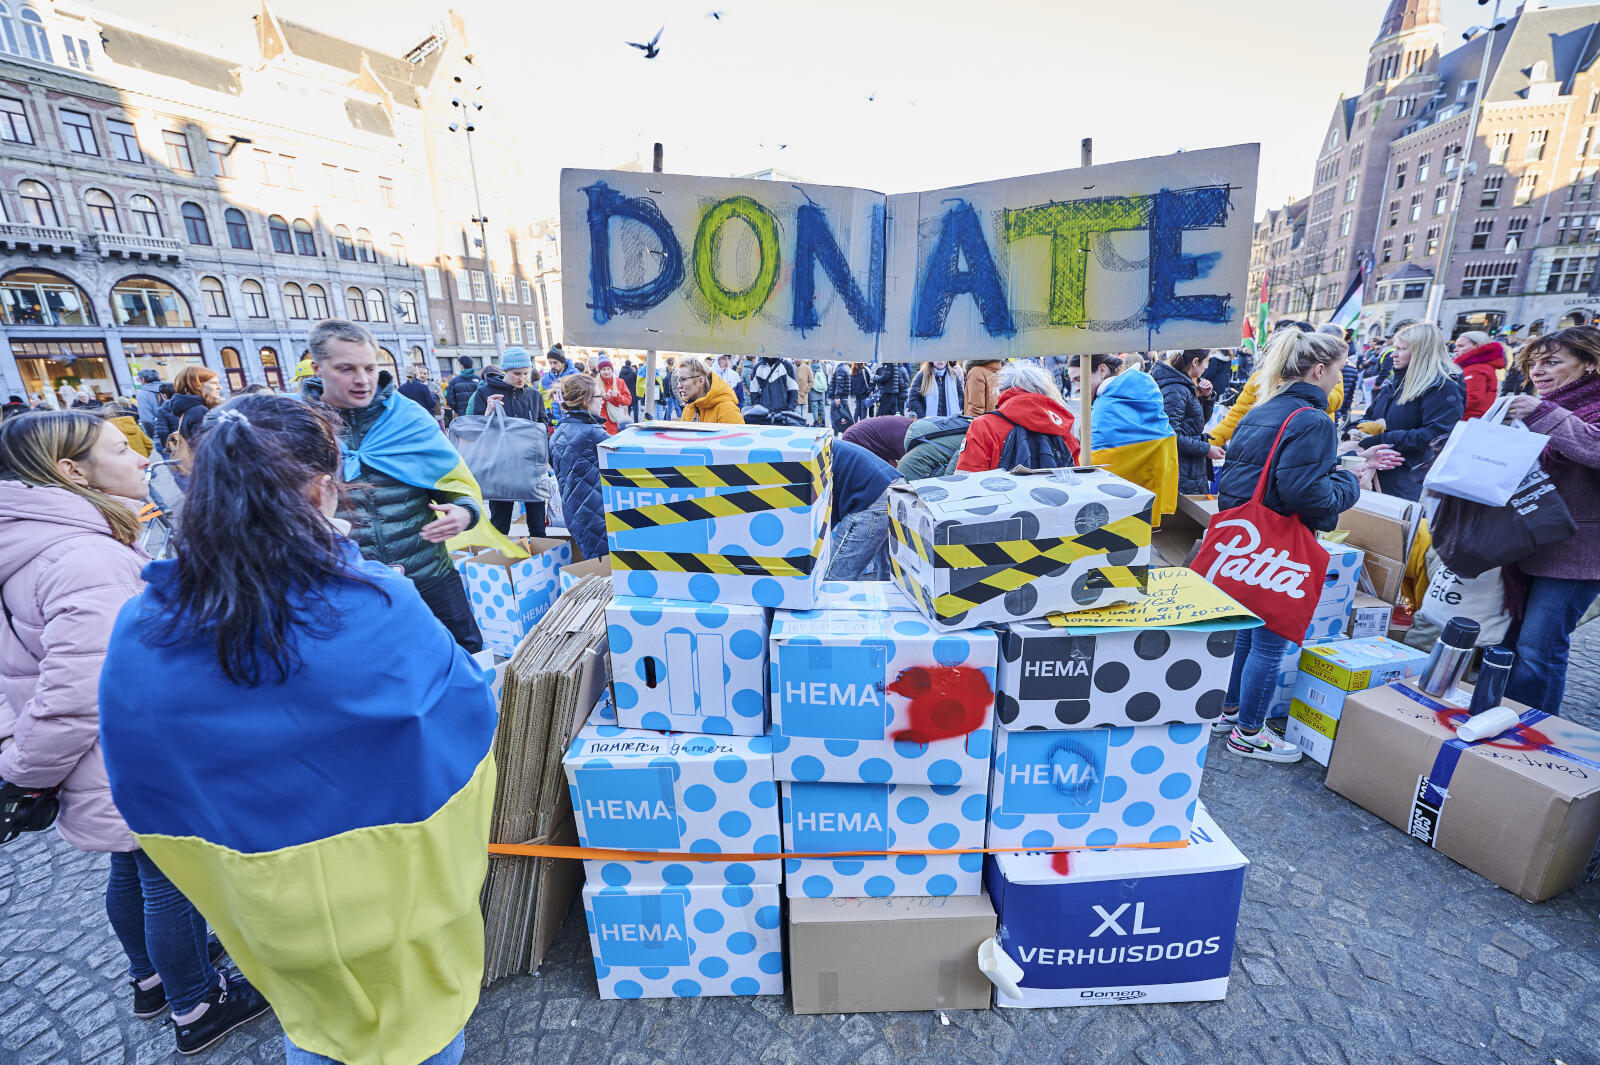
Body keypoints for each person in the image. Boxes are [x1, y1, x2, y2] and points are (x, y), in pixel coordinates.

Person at [97, 395, 495, 1065]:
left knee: (313, 1027)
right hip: (395, 897)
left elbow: (136, 761)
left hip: (265, 906)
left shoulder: (142, 626)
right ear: (321, 485)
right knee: (421, 1032)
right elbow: (466, 713)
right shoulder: (378, 602)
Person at [0, 411, 268, 1054]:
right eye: (122, 449)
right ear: (72, 471)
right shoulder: (82, 553)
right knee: (169, 879)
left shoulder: (42, 538)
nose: (142, 459)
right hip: (125, 751)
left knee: (131, 867)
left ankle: (150, 978)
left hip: (98, 756)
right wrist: (25, 774)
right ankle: (196, 1004)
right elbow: (83, 685)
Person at [1214, 330, 1397, 762]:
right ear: (1319, 369)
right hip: (1280, 546)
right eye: (1338, 369)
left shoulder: (1263, 409)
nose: (1340, 379)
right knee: (1271, 638)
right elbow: (1307, 494)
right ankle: (1249, 732)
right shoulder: (1312, 420)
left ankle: (1229, 709)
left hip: (1248, 540)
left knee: (1247, 632)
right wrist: (1348, 482)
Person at [308, 320, 515, 653]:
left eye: (370, 367)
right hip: (351, 588)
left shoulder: (409, 417)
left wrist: (464, 512)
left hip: (429, 574)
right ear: (317, 367)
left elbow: (454, 483)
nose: (362, 380)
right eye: (346, 369)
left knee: (468, 657)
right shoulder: (301, 427)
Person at [1498, 327, 1600, 714]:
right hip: (1529, 544)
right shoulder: (1549, 406)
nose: (1537, 371)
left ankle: (1531, 735)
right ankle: (1498, 719)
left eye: (1551, 362)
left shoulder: (1560, 409)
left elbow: (1594, 447)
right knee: (1509, 643)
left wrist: (1544, 414)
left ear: (1590, 363)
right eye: (1533, 363)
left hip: (1579, 553)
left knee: (1539, 648)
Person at [1351, 322, 1465, 500]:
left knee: (1387, 524)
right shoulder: (1397, 381)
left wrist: (1383, 438)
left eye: (1401, 349)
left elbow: (1438, 435)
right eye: (1395, 348)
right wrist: (1357, 428)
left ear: (1421, 353)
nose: (1393, 354)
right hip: (1374, 465)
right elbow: (1372, 413)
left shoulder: (1442, 387)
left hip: (1405, 472)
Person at [1074, 354, 1179, 522]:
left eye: (1079, 379)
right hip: (1149, 489)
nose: (1077, 387)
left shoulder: (1105, 405)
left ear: (1102, 370)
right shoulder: (1143, 388)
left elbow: (1093, 465)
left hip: (1112, 506)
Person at [465, 347, 550, 538]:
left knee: (538, 526)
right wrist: (487, 412)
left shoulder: (533, 394)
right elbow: (474, 430)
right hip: (500, 466)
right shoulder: (485, 392)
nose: (521, 378)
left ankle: (538, 561)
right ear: (505, 371)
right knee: (500, 524)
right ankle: (498, 562)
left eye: (525, 374)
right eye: (516, 374)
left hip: (529, 466)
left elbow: (542, 426)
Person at [957, 362, 1079, 471]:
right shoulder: (1062, 426)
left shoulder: (984, 426)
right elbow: (1075, 475)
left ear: (1002, 390)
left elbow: (967, 480)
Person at [549, 374, 611, 562]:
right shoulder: (592, 433)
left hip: (576, 515)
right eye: (599, 397)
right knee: (607, 572)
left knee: (594, 565)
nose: (602, 402)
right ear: (586, 401)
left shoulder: (559, 432)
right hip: (598, 516)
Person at [825, 440, 901, 581]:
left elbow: (821, 519)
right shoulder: (815, 446)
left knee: (835, 578)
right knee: (888, 573)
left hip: (874, 497)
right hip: (892, 485)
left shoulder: (803, 456)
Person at [1151, 349, 1222, 494]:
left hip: (1187, 468)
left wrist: (1206, 398)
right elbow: (1171, 435)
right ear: (1195, 362)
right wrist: (1206, 449)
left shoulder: (1183, 385)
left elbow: (1196, 424)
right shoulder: (1176, 389)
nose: (1207, 366)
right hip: (1182, 469)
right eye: (1207, 361)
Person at [154, 366, 221, 458]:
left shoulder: (194, 408)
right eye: (214, 383)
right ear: (197, 385)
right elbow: (211, 449)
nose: (219, 387)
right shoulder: (198, 411)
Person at [1452, 331, 1506, 420]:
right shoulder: (1480, 366)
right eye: (1456, 346)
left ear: (1477, 346)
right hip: (1477, 416)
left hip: (1468, 418)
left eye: (1461, 346)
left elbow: (1472, 398)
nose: (1455, 350)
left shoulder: (1475, 369)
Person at [675, 357, 744, 423]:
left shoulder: (727, 409)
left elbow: (737, 435)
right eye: (678, 380)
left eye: (683, 379)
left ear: (701, 380)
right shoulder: (689, 409)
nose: (679, 386)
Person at [842, 414, 913, 466]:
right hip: (855, 439)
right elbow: (908, 465)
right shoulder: (907, 436)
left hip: (863, 436)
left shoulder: (909, 426)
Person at [746, 355, 800, 421]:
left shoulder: (787, 365)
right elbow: (754, 393)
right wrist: (758, 411)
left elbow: (793, 391)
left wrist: (789, 412)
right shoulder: (757, 367)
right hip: (764, 416)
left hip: (782, 415)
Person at [595, 357, 634, 433]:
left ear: (612, 369)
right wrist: (602, 398)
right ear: (599, 371)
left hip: (617, 421)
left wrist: (617, 396)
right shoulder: (595, 383)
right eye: (603, 369)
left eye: (608, 369)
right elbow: (590, 401)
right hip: (600, 421)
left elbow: (628, 401)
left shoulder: (620, 382)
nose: (606, 372)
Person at [830, 362, 873, 430]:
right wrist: (870, 390)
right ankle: (862, 427)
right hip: (864, 393)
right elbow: (870, 380)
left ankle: (854, 426)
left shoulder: (852, 370)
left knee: (857, 410)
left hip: (857, 393)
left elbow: (851, 382)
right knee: (863, 410)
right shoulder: (864, 370)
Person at [443, 356, 479, 421]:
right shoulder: (479, 379)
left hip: (462, 415)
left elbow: (450, 400)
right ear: (472, 366)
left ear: (461, 366)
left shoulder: (453, 381)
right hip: (477, 414)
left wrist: (458, 410)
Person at [134, 369, 164, 440]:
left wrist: (154, 436)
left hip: (160, 434)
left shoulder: (142, 394)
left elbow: (146, 419)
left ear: (143, 379)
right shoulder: (169, 387)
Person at [807, 361, 829, 426]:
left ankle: (816, 422)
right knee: (821, 408)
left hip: (813, 392)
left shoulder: (810, 370)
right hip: (821, 392)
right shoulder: (820, 369)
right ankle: (823, 422)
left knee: (814, 408)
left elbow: (809, 381)